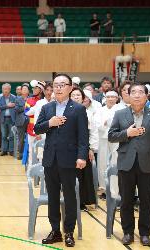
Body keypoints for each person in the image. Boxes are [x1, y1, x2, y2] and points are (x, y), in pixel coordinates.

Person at [34, 74, 88, 248]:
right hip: (50, 159)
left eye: (62, 84)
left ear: (70, 87)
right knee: (53, 197)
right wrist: (50, 123)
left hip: (69, 159)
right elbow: (37, 128)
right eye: (56, 85)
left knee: (70, 196)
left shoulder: (78, 109)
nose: (58, 88)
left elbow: (83, 136)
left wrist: (81, 156)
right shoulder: (47, 107)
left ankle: (69, 231)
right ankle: (55, 230)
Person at [108, 83, 150, 246]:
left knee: (146, 201)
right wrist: (127, 133)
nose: (137, 95)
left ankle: (145, 233)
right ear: (128, 95)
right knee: (126, 200)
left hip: (148, 164)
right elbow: (111, 136)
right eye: (134, 92)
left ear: (146, 96)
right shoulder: (120, 114)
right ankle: (127, 232)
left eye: (141, 92)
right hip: (126, 163)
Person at [70, 88, 97, 211]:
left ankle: (85, 201)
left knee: (84, 174)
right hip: (70, 147)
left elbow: (92, 132)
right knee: (72, 175)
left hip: (84, 146)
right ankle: (72, 200)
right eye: (73, 95)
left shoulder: (88, 113)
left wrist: (91, 148)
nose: (76, 97)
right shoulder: (66, 111)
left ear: (83, 98)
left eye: (78, 95)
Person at [95, 90, 119, 198]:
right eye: (108, 97)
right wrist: (105, 123)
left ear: (117, 98)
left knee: (115, 162)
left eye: (113, 97)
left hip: (116, 140)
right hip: (103, 139)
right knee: (102, 163)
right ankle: (104, 188)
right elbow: (97, 124)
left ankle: (115, 189)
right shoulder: (100, 110)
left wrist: (107, 123)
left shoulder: (120, 109)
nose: (110, 99)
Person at [24, 80, 44, 165]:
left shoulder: (45, 101)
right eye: (33, 88)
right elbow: (26, 112)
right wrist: (37, 107)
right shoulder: (29, 100)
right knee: (31, 151)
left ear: (41, 90)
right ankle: (31, 171)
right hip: (31, 129)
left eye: (36, 88)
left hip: (43, 130)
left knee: (41, 152)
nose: (33, 90)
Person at [0, 83, 16, 156]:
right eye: (4, 89)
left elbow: (15, 106)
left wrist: (12, 105)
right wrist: (7, 105)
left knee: (11, 136)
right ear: (2, 90)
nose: (5, 90)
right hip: (3, 119)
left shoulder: (14, 97)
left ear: (9, 89)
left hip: (11, 119)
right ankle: (4, 150)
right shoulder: (0, 98)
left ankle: (11, 150)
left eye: (6, 89)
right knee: (4, 135)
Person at [15, 84, 30, 160]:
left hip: (30, 121)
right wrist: (25, 107)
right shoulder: (17, 99)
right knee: (20, 139)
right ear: (21, 91)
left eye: (26, 89)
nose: (24, 90)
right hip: (20, 122)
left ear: (28, 91)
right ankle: (20, 154)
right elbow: (17, 109)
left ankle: (29, 153)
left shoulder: (31, 98)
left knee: (29, 138)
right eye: (23, 89)